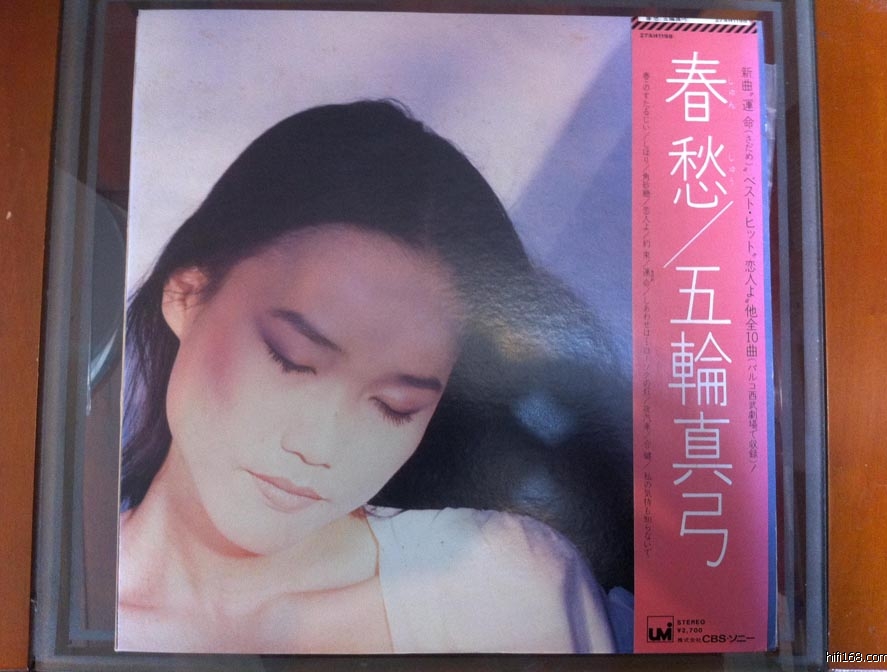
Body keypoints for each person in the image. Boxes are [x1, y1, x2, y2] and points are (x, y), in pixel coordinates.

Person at [117, 100, 619, 654]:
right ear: (187, 294)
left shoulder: (499, 590)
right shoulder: (70, 609)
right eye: (291, 360)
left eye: (394, 406)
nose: (317, 447)